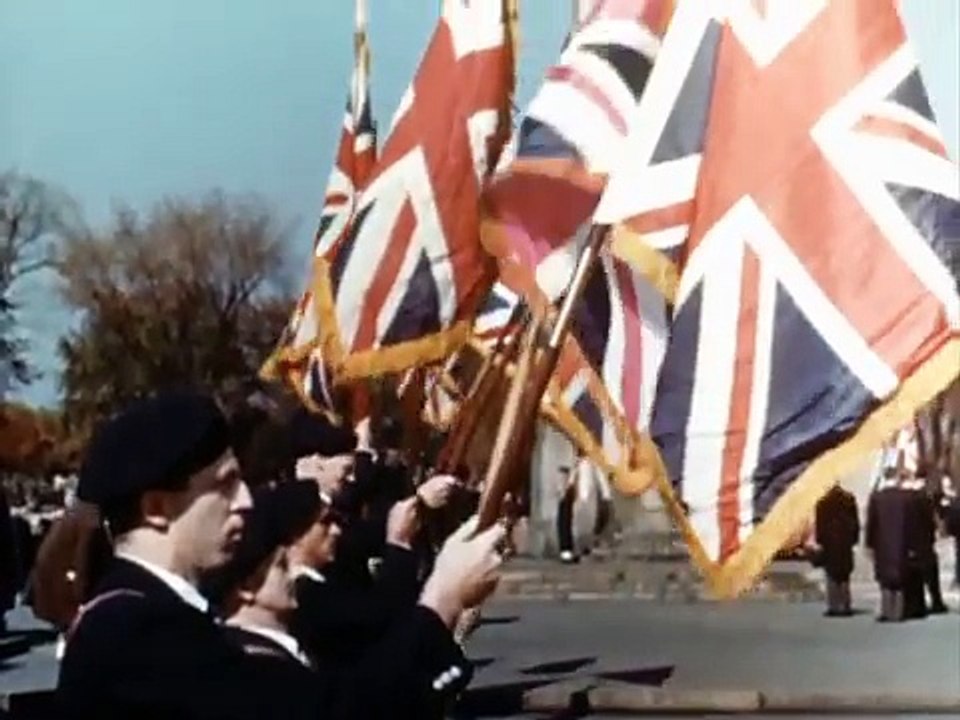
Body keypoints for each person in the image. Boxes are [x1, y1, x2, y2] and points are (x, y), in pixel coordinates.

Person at [813, 485, 859, 617]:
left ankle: (834, 605)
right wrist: (854, 539)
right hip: (845, 542)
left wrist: (820, 540)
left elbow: (820, 525)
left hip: (829, 542)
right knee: (844, 575)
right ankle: (844, 604)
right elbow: (855, 522)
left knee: (831, 575)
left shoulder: (822, 501)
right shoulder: (848, 499)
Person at [556, 465, 577, 563]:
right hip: (564, 504)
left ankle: (567, 553)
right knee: (564, 528)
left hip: (565, 505)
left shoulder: (568, 488)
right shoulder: (564, 488)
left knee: (565, 528)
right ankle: (566, 553)